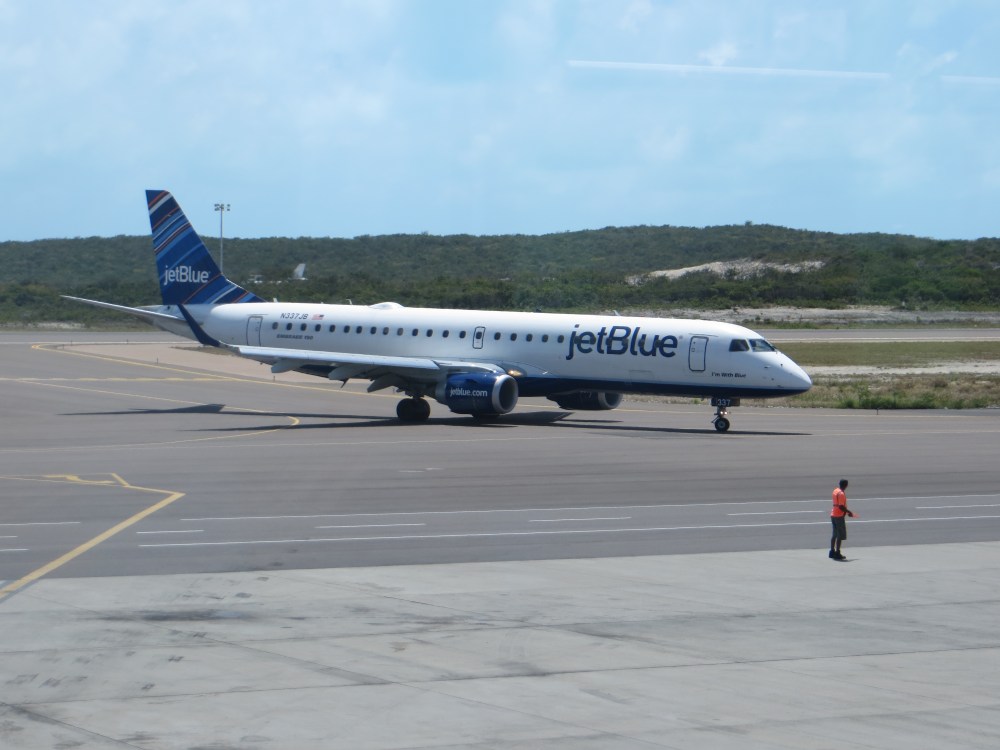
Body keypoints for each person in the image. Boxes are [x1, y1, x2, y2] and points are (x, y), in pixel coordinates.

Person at [829, 478, 854, 560]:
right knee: (840, 535)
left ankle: (832, 551)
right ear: (845, 485)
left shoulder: (835, 490)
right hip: (839, 516)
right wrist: (848, 512)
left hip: (833, 514)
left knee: (834, 534)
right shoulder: (841, 494)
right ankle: (837, 552)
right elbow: (841, 506)